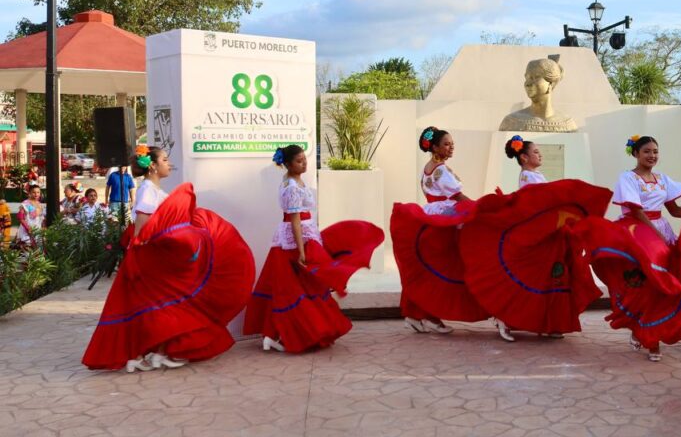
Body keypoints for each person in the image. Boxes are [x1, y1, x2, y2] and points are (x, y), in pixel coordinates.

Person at [82, 146, 255, 372]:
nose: (168, 163)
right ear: (152, 165)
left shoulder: (153, 189)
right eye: (164, 159)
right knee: (157, 307)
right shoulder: (146, 190)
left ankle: (155, 353)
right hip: (147, 260)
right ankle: (144, 354)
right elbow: (142, 229)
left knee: (160, 307)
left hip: (153, 259)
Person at [459, 136, 611, 342]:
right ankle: (506, 317)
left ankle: (552, 323)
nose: (540, 155)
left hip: (552, 236)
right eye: (536, 152)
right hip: (542, 237)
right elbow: (536, 209)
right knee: (536, 277)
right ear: (523, 157)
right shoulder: (528, 178)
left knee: (553, 277)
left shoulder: (535, 175)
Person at [574, 135, 681, 362]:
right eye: (647, 151)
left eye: (655, 151)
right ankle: (644, 331)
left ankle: (650, 332)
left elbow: (674, 210)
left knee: (662, 284)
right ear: (635, 154)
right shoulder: (628, 178)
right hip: (637, 231)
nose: (652, 155)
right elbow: (636, 211)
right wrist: (656, 236)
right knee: (644, 284)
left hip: (660, 230)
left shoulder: (662, 179)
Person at [246, 146, 384, 353]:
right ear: (289, 164)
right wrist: (302, 251)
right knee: (297, 289)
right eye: (299, 161)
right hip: (295, 242)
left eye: (304, 159)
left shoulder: (295, 181)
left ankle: (274, 334)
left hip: (304, 237)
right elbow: (295, 222)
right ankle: (279, 334)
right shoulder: (291, 186)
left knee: (294, 289)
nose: (305, 163)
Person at [391, 127, 489, 334]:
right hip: (445, 219)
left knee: (428, 270)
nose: (451, 147)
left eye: (452, 143)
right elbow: (459, 197)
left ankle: (416, 314)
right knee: (446, 269)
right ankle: (429, 315)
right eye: (446, 144)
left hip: (431, 216)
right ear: (435, 147)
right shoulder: (441, 170)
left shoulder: (428, 167)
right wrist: (483, 209)